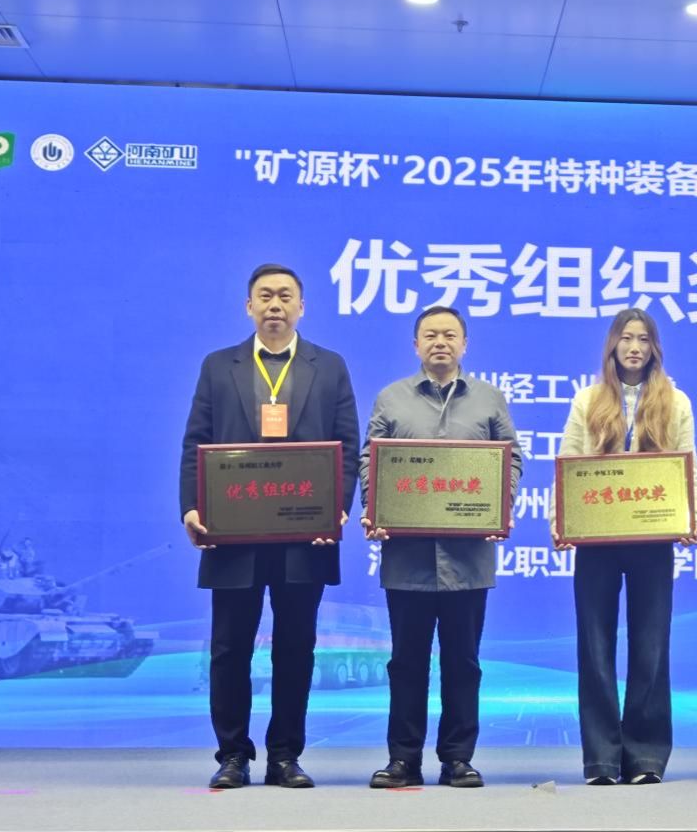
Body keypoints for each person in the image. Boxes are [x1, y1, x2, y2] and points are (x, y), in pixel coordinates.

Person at [180, 264, 360, 790]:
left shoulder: (329, 366)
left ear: (302, 306)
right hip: (234, 531)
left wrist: (336, 508)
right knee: (229, 648)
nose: (275, 304)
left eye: (285, 296)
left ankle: (285, 756)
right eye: (265, 296)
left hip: (305, 533)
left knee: (296, 648)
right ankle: (232, 755)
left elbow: (347, 446)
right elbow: (196, 441)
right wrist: (191, 508)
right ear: (249, 306)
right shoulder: (219, 365)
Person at [360, 306, 522, 790]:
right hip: (407, 559)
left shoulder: (489, 399)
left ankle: (457, 759)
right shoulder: (391, 398)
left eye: (450, 335)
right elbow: (371, 460)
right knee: (405, 664)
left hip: (467, 560)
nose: (440, 342)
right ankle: (403, 760)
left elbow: (511, 460)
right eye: (430, 335)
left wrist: (500, 505)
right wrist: (374, 506)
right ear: (416, 344)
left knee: (463, 664)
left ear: (464, 344)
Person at [552, 308, 697, 786]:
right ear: (612, 346)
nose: (634, 347)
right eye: (626, 338)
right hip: (596, 537)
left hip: (653, 536)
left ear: (654, 348)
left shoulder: (675, 400)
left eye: (643, 339)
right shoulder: (588, 399)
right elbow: (568, 462)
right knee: (594, 646)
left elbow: (688, 464)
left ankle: (645, 757)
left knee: (651, 645)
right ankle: (600, 759)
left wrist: (691, 517)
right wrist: (561, 522)